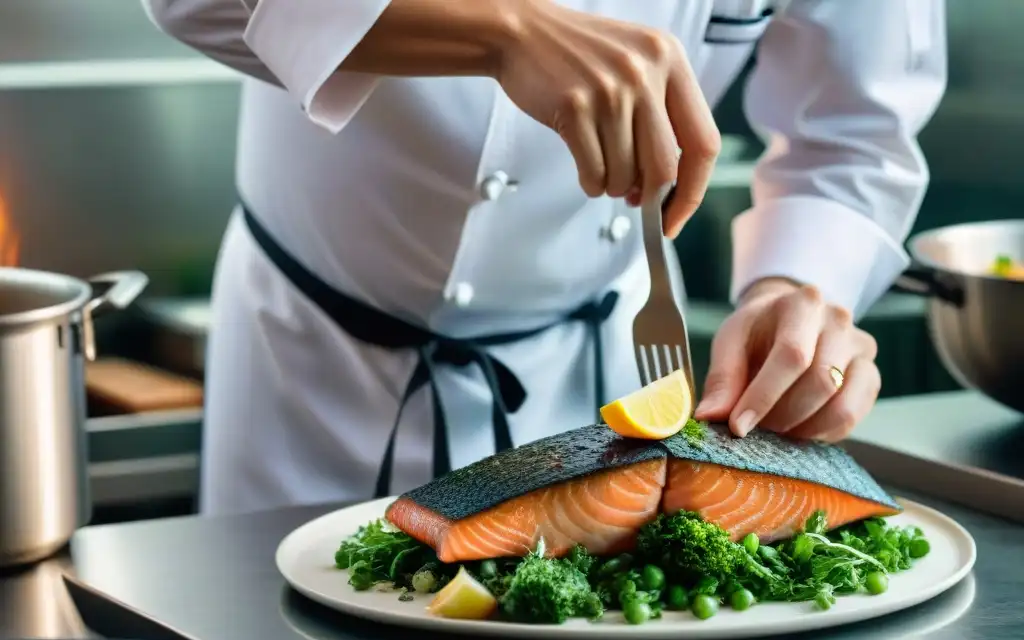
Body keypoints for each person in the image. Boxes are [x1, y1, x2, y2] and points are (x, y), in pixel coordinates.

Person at [143, 0, 946, 516]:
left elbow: (854, 133)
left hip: (597, 390)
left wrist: (798, 285)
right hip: (317, 373)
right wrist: (499, 30)